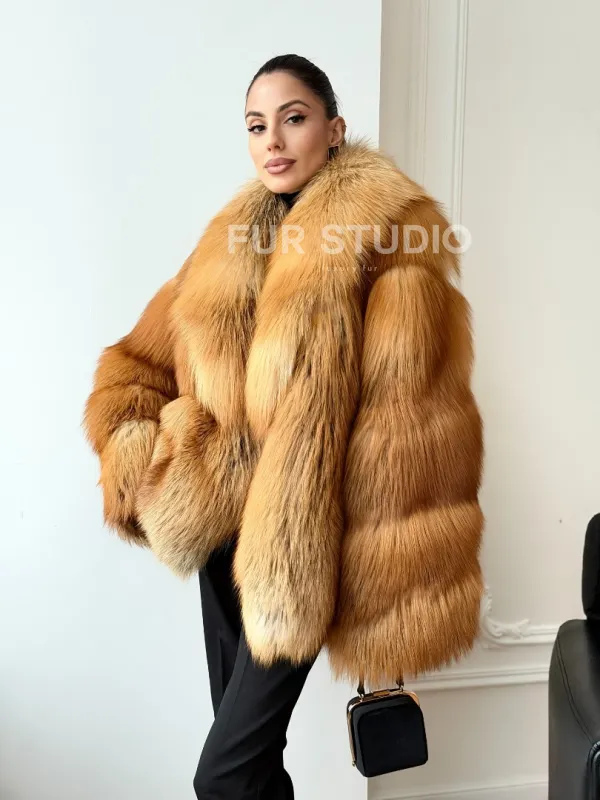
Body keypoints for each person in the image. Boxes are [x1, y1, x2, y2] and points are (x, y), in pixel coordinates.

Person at [82, 53, 485, 799]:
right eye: (255, 125)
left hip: (305, 548)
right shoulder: (228, 242)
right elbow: (139, 364)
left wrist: (378, 576)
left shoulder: (388, 238)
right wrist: (144, 452)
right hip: (221, 540)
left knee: (223, 778)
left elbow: (408, 426)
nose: (272, 140)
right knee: (255, 773)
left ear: (333, 129)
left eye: (293, 118)